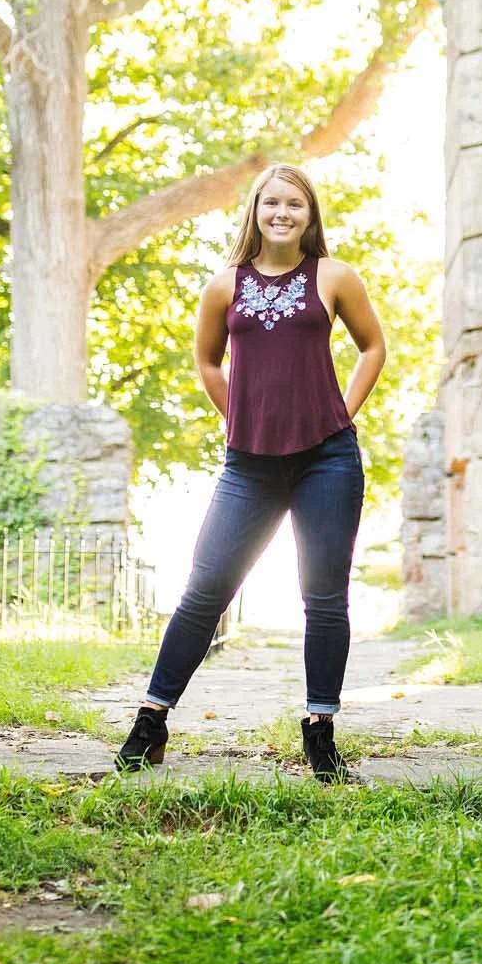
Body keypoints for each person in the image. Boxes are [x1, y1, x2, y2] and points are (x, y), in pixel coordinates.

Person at [115, 162, 387, 782]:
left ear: (310, 214)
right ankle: (151, 721)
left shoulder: (335, 277)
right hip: (249, 465)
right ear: (255, 213)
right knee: (205, 590)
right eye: (271, 204)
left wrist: (342, 413)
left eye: (295, 204)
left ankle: (320, 731)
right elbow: (208, 363)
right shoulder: (222, 287)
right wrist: (240, 414)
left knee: (323, 598)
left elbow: (373, 346)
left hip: (327, 458)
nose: (282, 214)